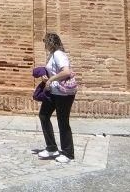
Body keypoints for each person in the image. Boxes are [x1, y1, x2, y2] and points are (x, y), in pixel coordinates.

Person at [35, 32, 77, 163]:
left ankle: (68, 153)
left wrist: (51, 79)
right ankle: (52, 147)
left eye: (45, 42)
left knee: (63, 121)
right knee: (43, 115)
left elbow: (66, 72)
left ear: (51, 42)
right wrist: (45, 76)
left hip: (64, 94)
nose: (44, 45)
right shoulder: (52, 55)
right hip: (54, 91)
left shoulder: (59, 54)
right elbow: (54, 70)